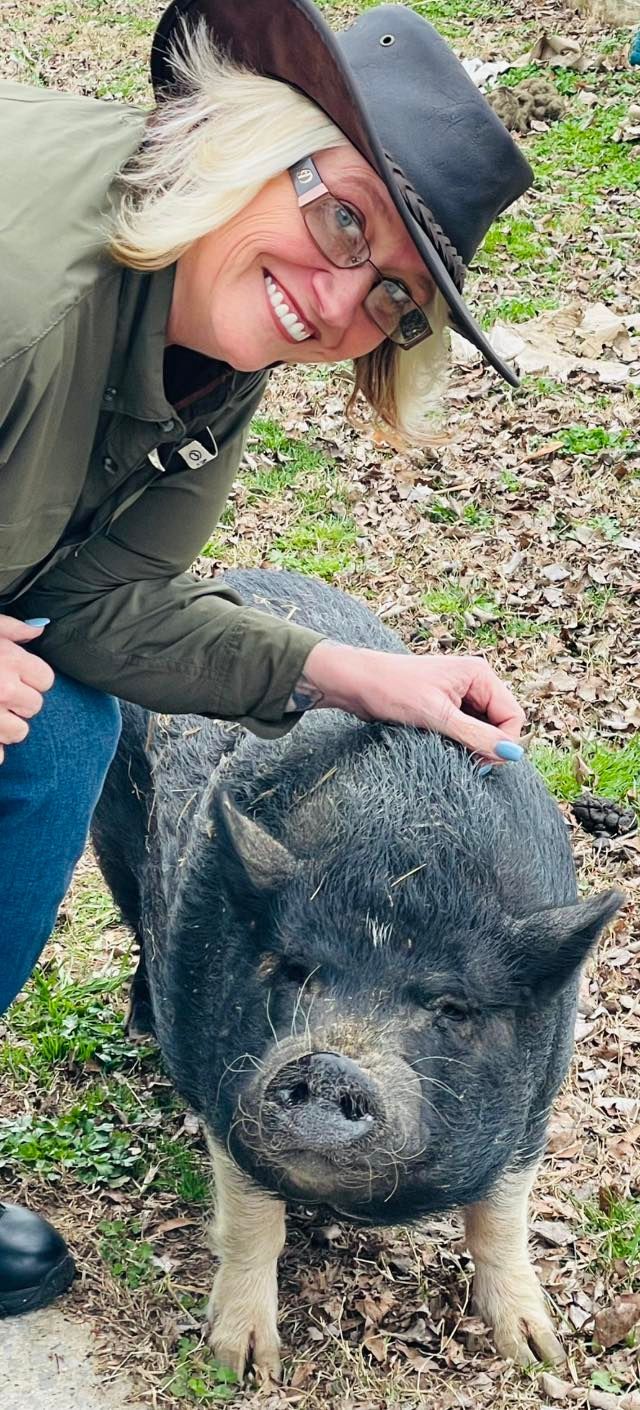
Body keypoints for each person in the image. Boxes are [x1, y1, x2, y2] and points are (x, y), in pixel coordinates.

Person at [0, 0, 533, 1316]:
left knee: (59, 728)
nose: (339, 299)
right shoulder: (27, 291)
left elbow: (101, 605)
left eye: (392, 295)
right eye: (345, 220)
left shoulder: (204, 333)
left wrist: (351, 674)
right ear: (253, 138)